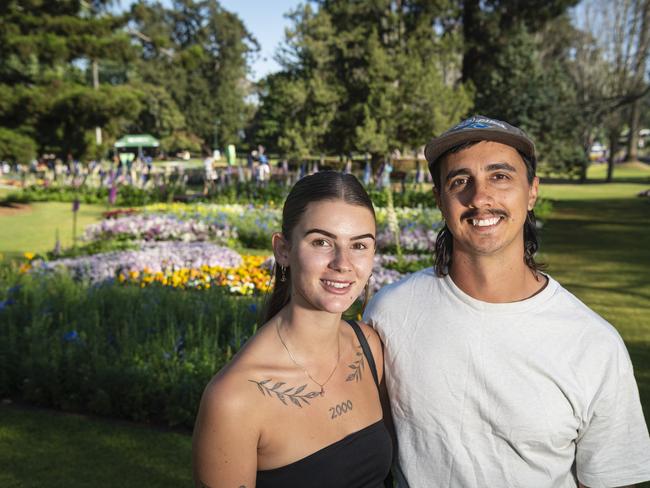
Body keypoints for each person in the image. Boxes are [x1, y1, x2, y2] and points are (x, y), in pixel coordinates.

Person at [364, 115, 650, 487]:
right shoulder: (389, 312)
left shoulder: (594, 344)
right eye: (460, 181)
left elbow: (607, 479)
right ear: (440, 200)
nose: (480, 198)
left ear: (532, 191)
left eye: (500, 177)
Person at [193, 171, 393, 488]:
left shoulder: (368, 348)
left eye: (359, 245)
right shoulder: (234, 400)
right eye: (322, 242)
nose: (343, 263)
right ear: (283, 250)